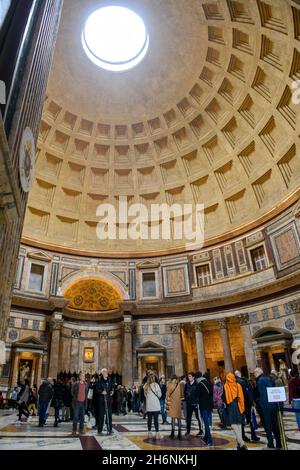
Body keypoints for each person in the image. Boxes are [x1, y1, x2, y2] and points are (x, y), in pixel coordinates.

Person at [254, 367, 281, 450]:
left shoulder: (260, 381)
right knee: (275, 425)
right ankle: (279, 443)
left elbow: (263, 395)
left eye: (255, 373)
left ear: (257, 373)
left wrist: (259, 403)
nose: (254, 375)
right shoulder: (269, 378)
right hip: (273, 405)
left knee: (268, 426)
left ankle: (271, 444)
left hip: (266, 406)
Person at [223, 373, 248, 450]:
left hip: (230, 405)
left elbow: (224, 398)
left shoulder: (226, 386)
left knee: (233, 424)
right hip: (238, 404)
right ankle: (240, 444)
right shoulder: (238, 385)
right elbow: (241, 397)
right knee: (239, 423)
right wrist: (241, 406)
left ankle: (241, 443)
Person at [235, 371, 260, 443]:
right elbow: (247, 393)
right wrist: (252, 402)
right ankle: (253, 435)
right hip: (246, 403)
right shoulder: (243, 382)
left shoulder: (233, 382)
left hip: (238, 404)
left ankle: (242, 436)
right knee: (250, 420)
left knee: (242, 420)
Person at [197, 372, 214, 446]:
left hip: (203, 406)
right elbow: (212, 394)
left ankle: (210, 440)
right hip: (209, 405)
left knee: (206, 423)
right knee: (207, 422)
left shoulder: (199, 385)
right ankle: (206, 437)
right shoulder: (209, 383)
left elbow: (197, 395)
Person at [144, 371, 162, 440]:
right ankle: (157, 434)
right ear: (153, 378)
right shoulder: (156, 385)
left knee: (149, 420)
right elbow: (160, 395)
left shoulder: (145, 385)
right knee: (156, 420)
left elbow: (145, 395)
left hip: (149, 405)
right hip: (155, 405)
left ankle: (149, 433)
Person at [96, 368, 114, 435]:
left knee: (109, 415)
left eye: (107, 371)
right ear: (102, 373)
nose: (107, 373)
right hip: (101, 400)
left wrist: (112, 391)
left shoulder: (109, 380)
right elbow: (97, 389)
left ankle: (110, 429)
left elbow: (112, 388)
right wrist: (101, 392)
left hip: (108, 400)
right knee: (101, 415)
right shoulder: (99, 380)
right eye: (105, 372)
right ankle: (100, 430)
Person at [185, 372, 202, 436]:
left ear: (193, 377)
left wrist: (197, 401)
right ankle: (188, 431)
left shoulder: (197, 384)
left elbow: (198, 393)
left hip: (195, 403)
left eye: (190, 376)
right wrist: (186, 397)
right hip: (189, 403)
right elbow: (185, 392)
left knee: (198, 417)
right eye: (188, 376)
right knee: (188, 418)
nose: (189, 378)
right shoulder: (187, 384)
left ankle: (201, 430)